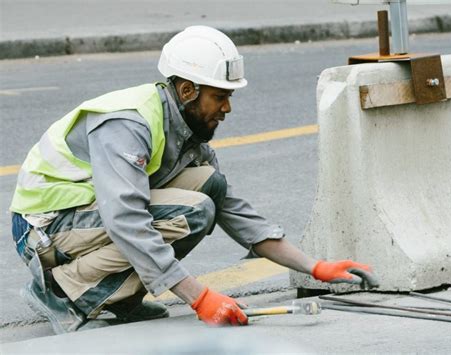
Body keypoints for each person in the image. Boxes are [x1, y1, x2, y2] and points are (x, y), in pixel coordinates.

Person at [10, 26, 378, 333]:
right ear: (188, 91)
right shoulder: (128, 123)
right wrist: (199, 298)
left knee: (208, 187)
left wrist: (314, 267)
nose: (227, 108)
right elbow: (126, 219)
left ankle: (120, 299)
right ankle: (64, 293)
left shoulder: (187, 131)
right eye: (220, 96)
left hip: (83, 219)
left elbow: (235, 211)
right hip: (44, 228)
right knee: (193, 211)